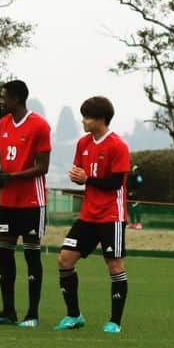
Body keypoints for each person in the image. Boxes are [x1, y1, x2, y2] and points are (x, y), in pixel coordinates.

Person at [55, 96, 131, 334]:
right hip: (88, 215)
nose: (83, 121)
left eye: (87, 117)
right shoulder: (83, 143)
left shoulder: (118, 146)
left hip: (111, 215)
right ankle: (74, 315)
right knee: (65, 260)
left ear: (100, 119)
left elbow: (116, 183)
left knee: (114, 265)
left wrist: (87, 179)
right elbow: (81, 172)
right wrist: (78, 176)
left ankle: (114, 322)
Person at [0, 79, 51, 328]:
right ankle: (7, 311)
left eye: (4, 97)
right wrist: (0, 175)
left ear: (17, 99)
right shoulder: (2, 124)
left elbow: (43, 167)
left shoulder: (39, 126)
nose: (1, 101)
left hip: (32, 201)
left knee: (32, 255)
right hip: (7, 202)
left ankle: (32, 314)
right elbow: (2, 158)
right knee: (4, 255)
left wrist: (13, 176)